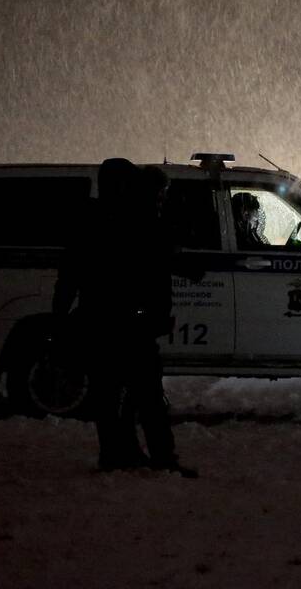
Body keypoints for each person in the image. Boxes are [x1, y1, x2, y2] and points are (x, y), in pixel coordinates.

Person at [53, 159, 195, 477]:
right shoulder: (134, 220)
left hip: (104, 322)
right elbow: (155, 262)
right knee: (145, 396)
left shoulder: (92, 221)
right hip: (131, 325)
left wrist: (59, 317)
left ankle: (118, 454)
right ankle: (157, 456)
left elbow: (69, 277)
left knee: (111, 395)